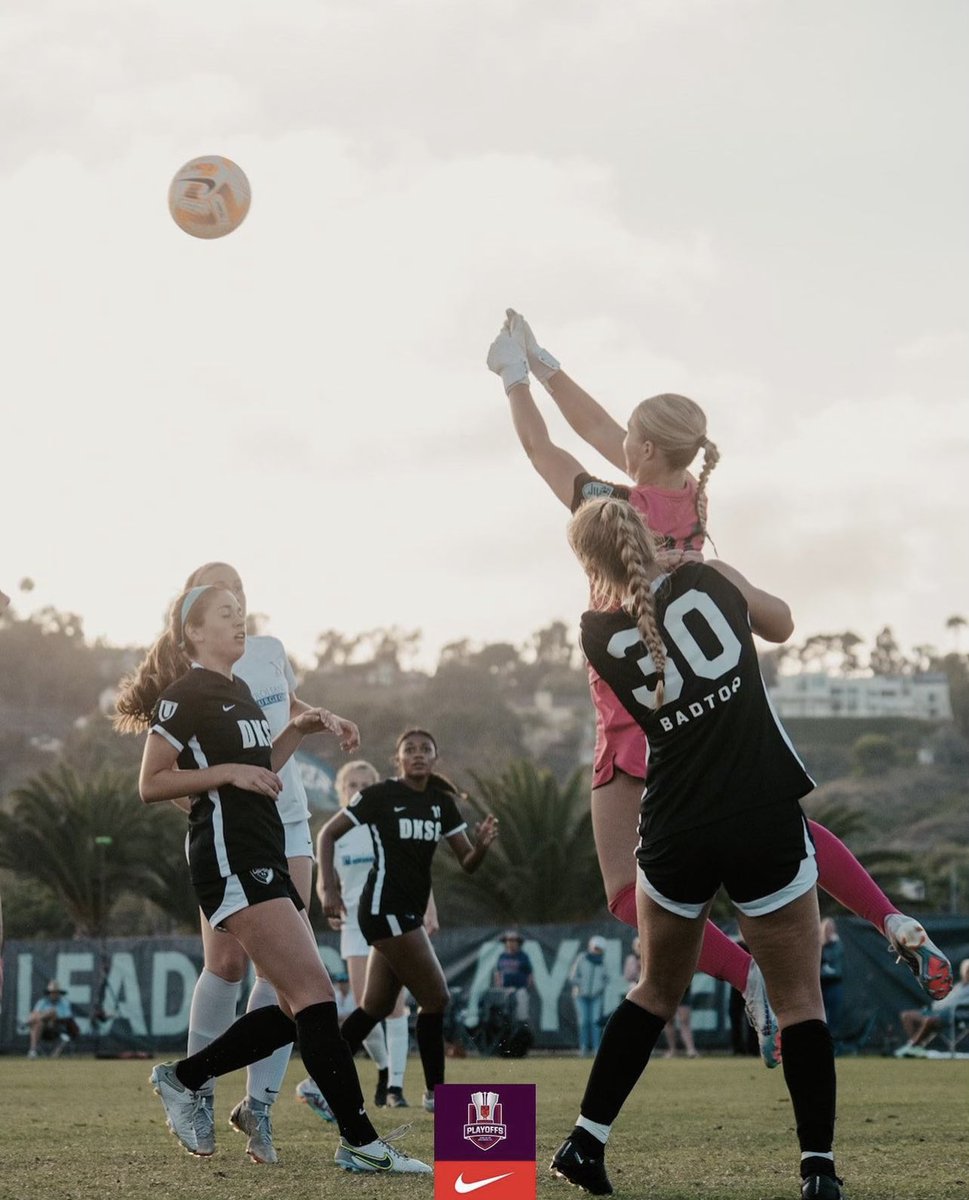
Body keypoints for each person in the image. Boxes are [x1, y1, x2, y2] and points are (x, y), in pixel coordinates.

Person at [487, 310, 953, 1025]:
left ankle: (744, 977)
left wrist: (514, 378)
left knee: (623, 892)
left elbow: (541, 447)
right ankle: (892, 920)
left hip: (634, 713)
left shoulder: (610, 509)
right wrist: (547, 363)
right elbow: (607, 431)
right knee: (785, 830)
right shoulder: (689, 498)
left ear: (639, 450)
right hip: (717, 704)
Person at [548, 496, 842, 1200]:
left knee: (653, 990)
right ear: (647, 535)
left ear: (589, 565)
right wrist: (711, 566)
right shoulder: (712, 580)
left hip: (675, 822)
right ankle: (816, 1171)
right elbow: (783, 624)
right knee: (800, 1002)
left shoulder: (594, 631)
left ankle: (583, 1142)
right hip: (757, 810)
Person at [114, 583, 429, 1175]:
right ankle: (360, 1142)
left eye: (242, 613)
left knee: (294, 1008)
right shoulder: (186, 694)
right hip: (231, 857)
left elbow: (260, 770)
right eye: (225, 616)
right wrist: (229, 771)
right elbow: (151, 783)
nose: (240, 623)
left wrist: (298, 730)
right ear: (194, 633)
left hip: (264, 850)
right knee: (314, 994)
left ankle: (185, 1077)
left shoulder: (237, 691)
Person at [168, 562, 360, 1164]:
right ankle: (193, 1090)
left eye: (240, 594)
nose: (239, 605)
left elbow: (286, 708)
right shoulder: (187, 678)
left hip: (291, 821)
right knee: (227, 966)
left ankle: (260, 1109)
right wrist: (221, 792)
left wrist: (320, 718)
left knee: (289, 981)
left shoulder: (268, 650)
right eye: (224, 598)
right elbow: (166, 778)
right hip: (231, 834)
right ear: (195, 616)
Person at [319, 729, 498, 1113]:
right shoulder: (381, 795)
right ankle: (437, 1096)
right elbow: (327, 833)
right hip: (383, 909)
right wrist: (327, 887)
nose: (417, 755)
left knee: (374, 1008)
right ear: (397, 759)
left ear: (435, 758)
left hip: (407, 912)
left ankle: (320, 1080)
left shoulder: (440, 804)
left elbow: (467, 863)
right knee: (437, 998)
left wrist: (481, 846)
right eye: (409, 750)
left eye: (425, 749)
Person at [297, 759, 427, 1116]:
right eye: (350, 785)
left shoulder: (387, 824)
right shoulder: (333, 833)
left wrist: (427, 909)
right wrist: (329, 899)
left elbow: (414, 868)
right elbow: (326, 879)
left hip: (389, 920)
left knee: (395, 1006)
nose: (357, 791)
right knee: (364, 1006)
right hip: (354, 926)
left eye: (364, 785)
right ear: (340, 792)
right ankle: (384, 1068)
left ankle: (396, 1087)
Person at [895, 958, 969, 1057]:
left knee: (930, 1020)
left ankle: (911, 1046)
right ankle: (917, 1048)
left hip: (953, 1016)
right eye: (967, 971)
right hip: (936, 1011)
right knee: (907, 1016)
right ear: (963, 972)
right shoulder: (957, 986)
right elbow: (943, 1000)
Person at [570, 936, 610, 1056]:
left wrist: (599, 988)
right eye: (596, 948)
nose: (597, 951)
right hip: (580, 996)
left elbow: (606, 978)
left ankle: (597, 1048)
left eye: (599, 949)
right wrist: (581, 985)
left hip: (596, 996)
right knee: (583, 1022)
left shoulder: (603, 962)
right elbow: (573, 976)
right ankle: (583, 1048)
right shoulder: (582, 958)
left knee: (595, 1022)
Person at [26, 980, 80, 1058]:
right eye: (52, 992)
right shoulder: (42, 1002)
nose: (54, 994)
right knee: (38, 1022)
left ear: (59, 993)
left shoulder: (64, 1003)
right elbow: (35, 1013)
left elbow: (67, 1017)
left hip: (57, 1028)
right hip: (43, 1029)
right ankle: (33, 1051)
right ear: (49, 993)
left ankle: (27, 1022)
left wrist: (50, 1014)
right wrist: (45, 1015)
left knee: (51, 1013)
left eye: (55, 992)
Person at [493, 930, 535, 1024]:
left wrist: (527, 987)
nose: (510, 942)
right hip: (505, 990)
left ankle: (523, 1031)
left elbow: (530, 973)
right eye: (507, 940)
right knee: (503, 1016)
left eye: (513, 940)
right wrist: (499, 985)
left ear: (518, 942)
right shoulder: (502, 956)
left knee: (521, 1016)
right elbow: (498, 973)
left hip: (520, 990)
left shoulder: (523, 956)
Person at [819, 918, 845, 1040]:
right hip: (821, 985)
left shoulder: (837, 944)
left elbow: (833, 959)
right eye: (826, 928)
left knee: (834, 1016)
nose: (828, 931)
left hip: (834, 984)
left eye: (831, 928)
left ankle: (834, 1043)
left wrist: (831, 943)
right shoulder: (819, 945)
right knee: (820, 1016)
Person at [661, 984, 699, 1059]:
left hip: (682, 989)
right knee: (669, 1021)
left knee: (684, 1021)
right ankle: (673, 1050)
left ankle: (691, 1050)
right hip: (666, 989)